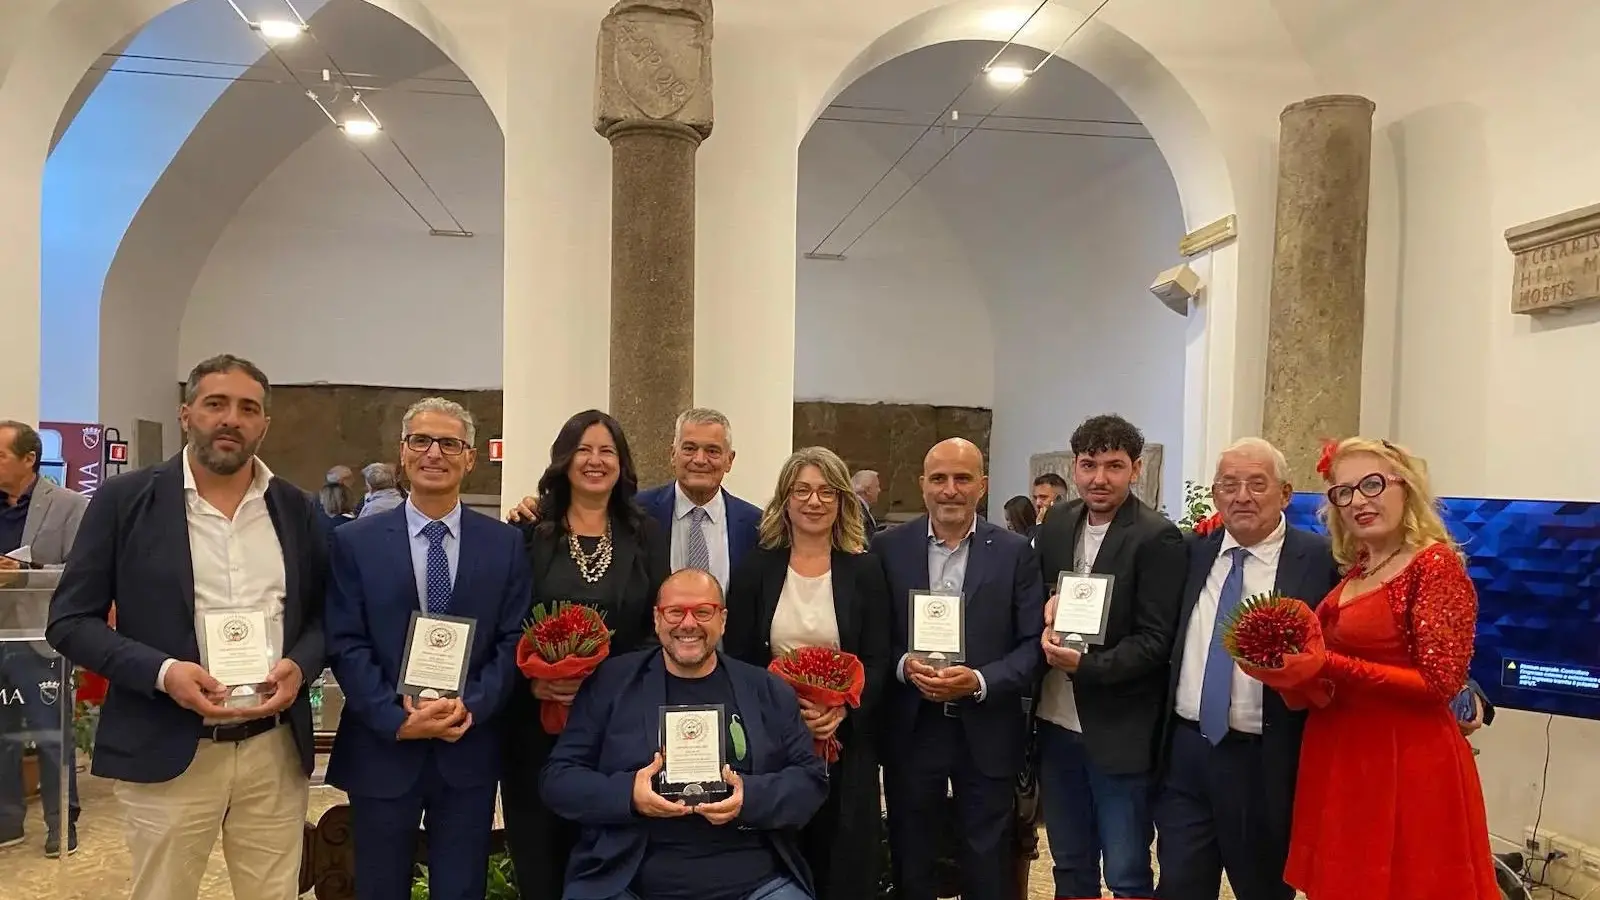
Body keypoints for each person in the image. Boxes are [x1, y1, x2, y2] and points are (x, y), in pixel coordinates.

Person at [46, 354, 326, 900]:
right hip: (170, 745)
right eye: (215, 404)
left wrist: (301, 664)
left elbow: (323, 615)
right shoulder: (124, 501)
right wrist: (164, 672)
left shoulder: (296, 508)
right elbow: (70, 621)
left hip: (273, 750)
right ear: (185, 414)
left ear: (264, 424)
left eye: (248, 409)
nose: (231, 419)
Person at [1260, 437, 1499, 900]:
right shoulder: (1361, 566)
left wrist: (1328, 663)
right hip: (1343, 751)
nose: (1358, 501)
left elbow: (1440, 683)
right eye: (1343, 492)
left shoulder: (1434, 565)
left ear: (1405, 487)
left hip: (1404, 759)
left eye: (1372, 484)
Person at [324, 398, 530, 900]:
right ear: (403, 452)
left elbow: (513, 639)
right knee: (379, 888)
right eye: (421, 440)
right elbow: (345, 640)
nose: (434, 453)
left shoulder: (504, 544)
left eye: (450, 444)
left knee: (461, 889)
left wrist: (471, 705)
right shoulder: (354, 541)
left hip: (468, 747)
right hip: (383, 747)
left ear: (470, 458)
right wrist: (394, 716)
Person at [541, 568, 829, 900]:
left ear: (722, 620)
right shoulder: (611, 683)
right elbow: (558, 779)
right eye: (675, 612)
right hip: (629, 882)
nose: (688, 623)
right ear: (657, 619)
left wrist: (750, 797)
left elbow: (811, 781)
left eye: (703, 612)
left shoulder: (766, 689)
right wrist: (629, 794)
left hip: (754, 883)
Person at [1153, 438, 1340, 900]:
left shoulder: (1321, 561)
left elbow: (1367, 629)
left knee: (1263, 889)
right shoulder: (1189, 553)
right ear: (1215, 494)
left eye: (1257, 484)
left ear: (1286, 493)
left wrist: (1462, 686)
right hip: (1187, 753)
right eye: (1229, 485)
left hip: (1265, 758)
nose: (1242, 497)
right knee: (1178, 886)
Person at [501, 409, 670, 899]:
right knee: (540, 861)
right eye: (583, 450)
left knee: (607, 865)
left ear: (622, 464)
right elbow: (506, 622)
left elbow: (656, 625)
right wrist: (534, 679)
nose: (595, 461)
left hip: (617, 727)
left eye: (607, 451)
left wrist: (605, 682)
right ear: (564, 460)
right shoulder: (530, 531)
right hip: (535, 724)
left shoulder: (646, 533)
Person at [875, 438, 1044, 900]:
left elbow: (1032, 646)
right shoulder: (887, 548)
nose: (950, 489)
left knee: (987, 859)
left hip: (987, 728)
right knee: (912, 855)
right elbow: (872, 636)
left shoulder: (1014, 552)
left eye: (962, 478)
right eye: (939, 478)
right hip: (913, 727)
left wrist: (981, 681)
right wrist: (903, 665)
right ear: (922, 484)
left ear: (982, 486)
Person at [725, 447, 892, 900]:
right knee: (782, 858)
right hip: (773, 741)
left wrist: (842, 709)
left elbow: (878, 657)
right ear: (785, 499)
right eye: (801, 490)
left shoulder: (865, 569)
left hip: (846, 743)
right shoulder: (757, 567)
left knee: (843, 864)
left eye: (826, 492)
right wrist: (785, 710)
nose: (813, 501)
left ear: (841, 501)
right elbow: (739, 657)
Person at [1032, 414, 1184, 899]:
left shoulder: (1157, 536)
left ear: (1135, 469)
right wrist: (1044, 610)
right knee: (1069, 864)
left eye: (1114, 466)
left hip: (1119, 730)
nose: (1100, 478)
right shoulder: (1057, 523)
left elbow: (1156, 641)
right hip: (1055, 722)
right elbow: (1038, 597)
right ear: (1074, 467)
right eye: (1089, 465)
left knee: (1126, 871)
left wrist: (1088, 666)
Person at [512, 408, 759, 592]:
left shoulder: (755, 526)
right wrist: (541, 506)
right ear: (672, 455)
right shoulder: (637, 513)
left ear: (729, 460)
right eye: (689, 448)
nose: (700, 459)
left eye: (712, 451)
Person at [0, 420, 87, 857]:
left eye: (0, 455)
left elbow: (82, 572)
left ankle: (61, 823)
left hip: (39, 637)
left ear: (29, 459)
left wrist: (26, 572)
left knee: (52, 736)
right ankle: (6, 823)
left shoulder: (69, 505)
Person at [851, 469, 882, 535]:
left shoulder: (858, 506)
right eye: (877, 486)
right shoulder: (857, 510)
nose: (879, 490)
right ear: (868, 490)